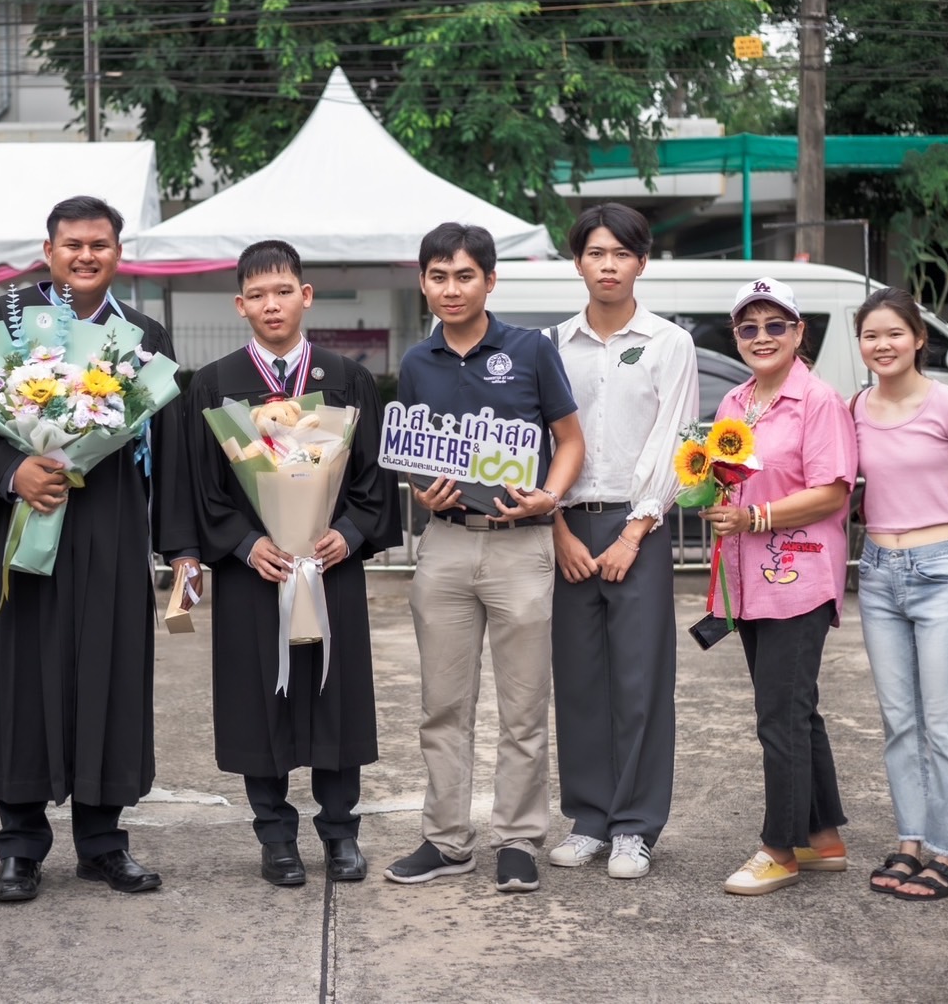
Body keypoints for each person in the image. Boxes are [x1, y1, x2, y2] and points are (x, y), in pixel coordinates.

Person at [0, 195, 199, 902]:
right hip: (18, 522)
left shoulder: (143, 337)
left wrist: (181, 550)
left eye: (101, 245)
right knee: (18, 675)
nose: (86, 256)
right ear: (47, 250)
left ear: (119, 253)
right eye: (73, 244)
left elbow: (171, 452)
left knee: (105, 673)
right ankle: (19, 846)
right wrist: (10, 471)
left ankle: (103, 842)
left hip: (107, 528)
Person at [187, 240, 401, 887]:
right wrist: (245, 544)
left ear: (304, 296)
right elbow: (203, 489)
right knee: (263, 696)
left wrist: (350, 531)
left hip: (329, 568)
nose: (271, 304)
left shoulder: (346, 377)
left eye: (283, 291)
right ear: (240, 304)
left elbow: (372, 479)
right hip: (259, 572)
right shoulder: (214, 384)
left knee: (334, 694)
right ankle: (275, 838)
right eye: (257, 294)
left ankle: (340, 835)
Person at [383, 223, 585, 893]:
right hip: (443, 546)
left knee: (524, 709)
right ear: (423, 282)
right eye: (438, 277)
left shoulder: (529, 350)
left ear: (490, 281)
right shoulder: (417, 362)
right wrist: (421, 487)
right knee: (443, 706)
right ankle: (445, 841)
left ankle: (520, 840)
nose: (451, 289)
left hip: (521, 546)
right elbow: (413, 455)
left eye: (464, 276)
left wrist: (549, 500)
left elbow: (570, 440)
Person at [545, 204, 699, 880]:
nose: (607, 265)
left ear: (642, 262)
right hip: (566, 528)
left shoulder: (669, 343)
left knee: (640, 681)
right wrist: (555, 529)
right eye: (595, 253)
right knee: (578, 682)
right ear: (577, 261)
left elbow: (676, 443)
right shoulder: (550, 345)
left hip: (641, 527)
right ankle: (588, 818)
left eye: (621, 254)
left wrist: (636, 530)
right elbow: (537, 442)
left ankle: (635, 826)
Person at [699, 277, 856, 896]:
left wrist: (754, 517)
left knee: (778, 717)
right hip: (746, 581)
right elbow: (724, 480)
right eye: (747, 327)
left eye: (775, 325)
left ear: (798, 333)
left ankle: (778, 849)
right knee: (797, 710)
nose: (761, 337)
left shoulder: (819, 401)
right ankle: (823, 840)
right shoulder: (734, 403)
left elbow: (832, 491)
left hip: (800, 575)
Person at [852, 287, 948, 900]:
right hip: (878, 573)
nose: (882, 345)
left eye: (893, 334)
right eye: (871, 336)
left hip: (941, 572)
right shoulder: (855, 407)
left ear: (919, 338)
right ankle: (912, 841)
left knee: (944, 721)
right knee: (899, 721)